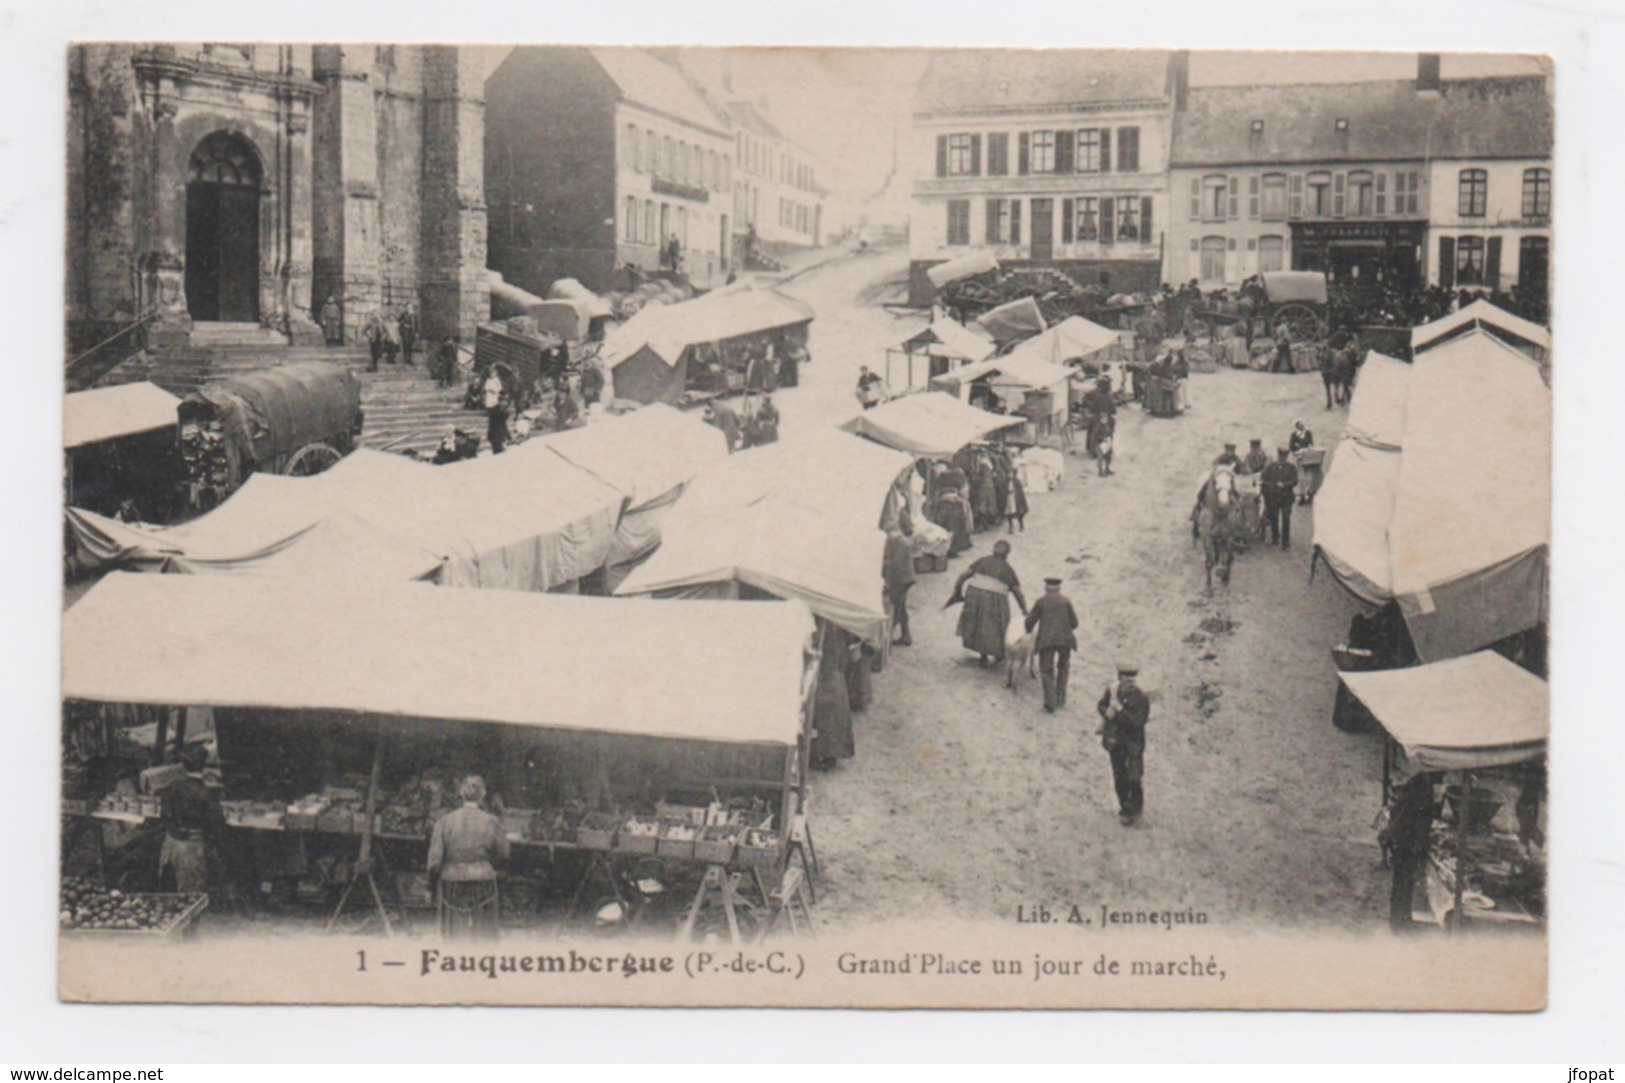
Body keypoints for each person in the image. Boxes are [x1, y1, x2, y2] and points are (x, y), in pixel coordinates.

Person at [427, 775, 510, 939]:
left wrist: (430, 887)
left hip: (451, 879)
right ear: (483, 794)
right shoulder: (492, 821)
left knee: (453, 934)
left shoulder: (444, 821)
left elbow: (434, 861)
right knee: (484, 935)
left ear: (461, 793)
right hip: (483, 878)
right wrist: (487, 864)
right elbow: (504, 854)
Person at [158, 743, 227, 896]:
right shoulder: (206, 792)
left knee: (168, 891)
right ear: (204, 765)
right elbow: (217, 824)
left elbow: (163, 815)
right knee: (191, 896)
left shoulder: (172, 786)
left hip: (170, 845)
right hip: (190, 849)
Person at [946, 539, 1028, 667]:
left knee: (978, 624)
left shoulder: (982, 561)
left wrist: (958, 589)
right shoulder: (1008, 569)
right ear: (1007, 554)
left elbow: (963, 575)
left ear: (993, 550)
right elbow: (1018, 592)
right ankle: (996, 653)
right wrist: (1024, 608)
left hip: (974, 593)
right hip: (995, 598)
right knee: (997, 625)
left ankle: (983, 655)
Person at [1096, 663, 1151, 826]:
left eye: (1131, 681)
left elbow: (1137, 722)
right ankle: (1125, 808)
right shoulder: (1112, 691)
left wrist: (1119, 711)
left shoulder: (1141, 697)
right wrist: (1106, 712)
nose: (1129, 684)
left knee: (1134, 776)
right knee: (1119, 775)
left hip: (1133, 742)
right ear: (1120, 678)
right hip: (1115, 740)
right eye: (1125, 680)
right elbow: (1102, 704)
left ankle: (1136, 808)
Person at [1380, 772, 1436, 933]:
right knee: (1402, 882)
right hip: (1405, 842)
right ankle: (1398, 922)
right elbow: (1406, 817)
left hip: (1406, 840)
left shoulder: (1422, 784)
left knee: (1405, 883)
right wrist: (1415, 843)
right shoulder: (1420, 787)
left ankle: (1402, 918)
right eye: (1442, 772)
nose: (1444, 776)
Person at [1025, 577, 1079, 713]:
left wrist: (1028, 630)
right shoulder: (1066, 601)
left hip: (1046, 641)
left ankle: (1050, 702)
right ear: (1059, 588)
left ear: (1046, 588)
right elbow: (1074, 623)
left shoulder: (1041, 602)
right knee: (1063, 668)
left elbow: (1030, 621)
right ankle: (1061, 698)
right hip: (1065, 640)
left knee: (1047, 670)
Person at [1260, 446, 1300, 549]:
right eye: (1281, 456)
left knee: (1286, 519)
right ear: (1278, 455)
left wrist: (1285, 484)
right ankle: (1275, 537)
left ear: (1286, 456)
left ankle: (1286, 541)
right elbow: (1263, 479)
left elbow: (1295, 480)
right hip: (1274, 498)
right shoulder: (1271, 467)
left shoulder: (1291, 468)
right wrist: (1269, 486)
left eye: (1284, 456)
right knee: (1274, 518)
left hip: (1286, 498)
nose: (1282, 458)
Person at [883, 526, 916, 647]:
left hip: (901, 579)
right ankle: (906, 635)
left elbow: (895, 563)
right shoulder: (900, 539)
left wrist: (883, 562)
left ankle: (886, 637)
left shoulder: (897, 541)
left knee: (896, 607)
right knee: (901, 607)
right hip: (905, 578)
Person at [483, 368, 508, 454]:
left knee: (494, 402)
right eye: (491, 373)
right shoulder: (488, 380)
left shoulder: (497, 380)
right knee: (490, 402)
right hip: (490, 394)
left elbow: (499, 387)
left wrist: (496, 391)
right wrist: (490, 390)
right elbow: (486, 387)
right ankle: (488, 410)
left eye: (493, 373)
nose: (492, 374)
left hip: (495, 394)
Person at [397, 302, 420, 367]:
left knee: (411, 345)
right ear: (405, 308)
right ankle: (405, 359)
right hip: (405, 332)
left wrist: (417, 332)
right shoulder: (403, 314)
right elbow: (399, 321)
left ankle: (410, 359)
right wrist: (404, 324)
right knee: (405, 345)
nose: (409, 308)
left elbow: (417, 324)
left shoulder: (414, 315)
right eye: (407, 307)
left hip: (412, 332)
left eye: (410, 307)